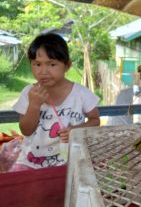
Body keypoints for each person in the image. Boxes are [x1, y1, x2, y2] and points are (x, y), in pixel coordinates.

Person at [10, 33, 100, 171]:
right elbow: (26, 131)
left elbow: (95, 120)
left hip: (70, 160)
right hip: (31, 161)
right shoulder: (29, 93)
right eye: (37, 64)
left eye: (52, 64)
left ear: (67, 65)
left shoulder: (81, 93)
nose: (43, 71)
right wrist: (34, 105)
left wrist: (76, 130)